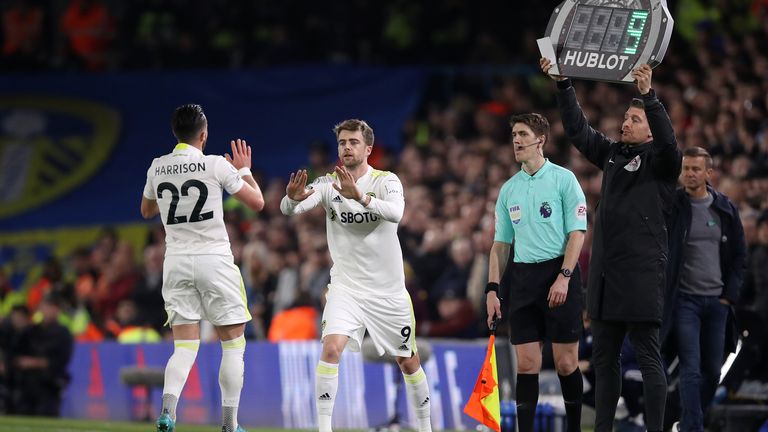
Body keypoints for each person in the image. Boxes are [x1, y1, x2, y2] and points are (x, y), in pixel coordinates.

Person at [541, 59, 682, 432]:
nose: (625, 123)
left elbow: (670, 143)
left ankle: (656, 429)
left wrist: (649, 97)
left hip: (640, 275)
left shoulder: (663, 162)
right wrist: (563, 84)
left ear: (651, 131)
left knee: (649, 358)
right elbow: (577, 130)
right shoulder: (614, 155)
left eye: (635, 121)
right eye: (626, 118)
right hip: (604, 277)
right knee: (604, 361)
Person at [280, 119, 432, 432]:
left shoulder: (386, 181)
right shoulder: (327, 184)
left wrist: (360, 196)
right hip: (346, 288)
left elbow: (396, 213)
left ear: (368, 149)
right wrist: (291, 199)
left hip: (387, 292)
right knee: (331, 348)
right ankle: (324, 429)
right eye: (342, 143)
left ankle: (426, 427)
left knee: (408, 361)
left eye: (353, 142)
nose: (347, 147)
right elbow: (290, 210)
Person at [140, 104, 265, 432]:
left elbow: (146, 210)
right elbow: (257, 203)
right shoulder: (216, 165)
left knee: (184, 346)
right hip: (215, 261)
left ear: (175, 133)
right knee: (233, 343)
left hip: (176, 262)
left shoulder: (157, 166)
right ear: (204, 134)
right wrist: (245, 170)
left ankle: (168, 411)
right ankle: (230, 424)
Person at [485, 113, 587, 432]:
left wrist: (565, 276)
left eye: (523, 134)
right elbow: (500, 245)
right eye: (514, 134)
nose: (516, 140)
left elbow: (577, 233)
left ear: (540, 140)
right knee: (527, 364)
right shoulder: (509, 190)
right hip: (524, 278)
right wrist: (492, 289)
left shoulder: (563, 179)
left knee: (565, 363)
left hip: (560, 273)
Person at [662, 146, 747, 431]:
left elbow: (739, 256)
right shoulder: (672, 206)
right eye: (686, 169)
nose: (689, 174)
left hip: (717, 302)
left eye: (695, 169)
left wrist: (728, 297)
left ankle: (684, 419)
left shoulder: (724, 208)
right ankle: (692, 428)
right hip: (685, 301)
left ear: (708, 173)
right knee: (691, 367)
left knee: (712, 371)